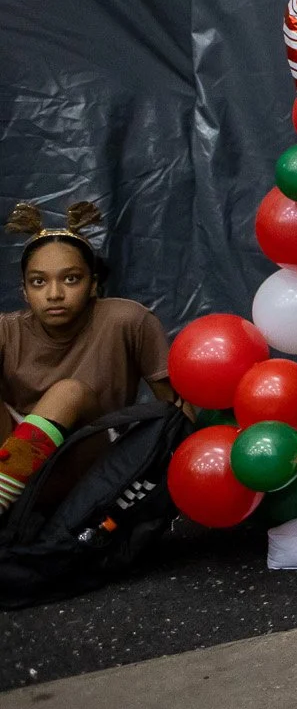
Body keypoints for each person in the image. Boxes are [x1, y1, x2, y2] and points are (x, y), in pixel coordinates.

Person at [1, 202, 174, 514]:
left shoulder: (128, 320)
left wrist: (157, 476)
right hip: (11, 461)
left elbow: (175, 410)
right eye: (39, 282)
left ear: (93, 284)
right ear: (25, 291)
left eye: (70, 279)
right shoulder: (6, 329)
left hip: (87, 462)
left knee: (69, 392)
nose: (54, 294)